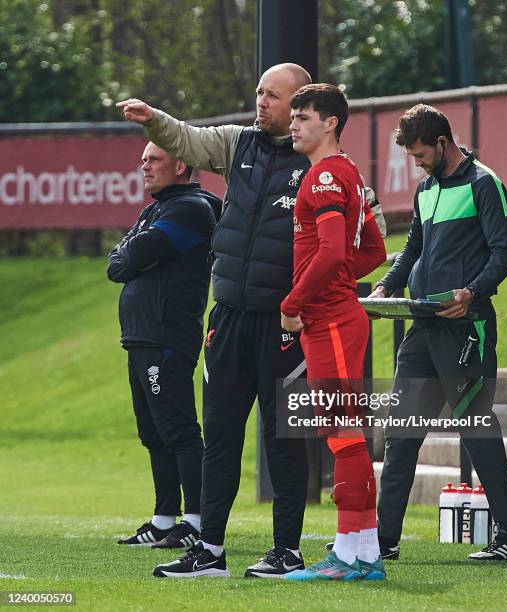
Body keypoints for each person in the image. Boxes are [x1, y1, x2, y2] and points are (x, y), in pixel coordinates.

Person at [116, 63, 386, 579]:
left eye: (274, 96)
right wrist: (153, 119)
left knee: (286, 439)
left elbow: (359, 238)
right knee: (218, 432)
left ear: (304, 107)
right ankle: (209, 549)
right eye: (259, 92)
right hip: (230, 315)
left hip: (285, 323)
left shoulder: (324, 167)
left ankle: (288, 549)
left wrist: (302, 297)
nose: (260, 102)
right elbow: (187, 140)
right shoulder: (239, 143)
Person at [371, 104, 507, 562]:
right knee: (401, 434)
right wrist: (387, 284)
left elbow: (503, 253)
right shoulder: (426, 189)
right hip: (422, 327)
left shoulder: (484, 184)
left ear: (442, 143)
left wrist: (473, 292)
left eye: (420, 154)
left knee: (476, 430)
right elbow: (413, 246)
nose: (416, 163)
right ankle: (383, 541)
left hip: (466, 330)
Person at [277, 84, 386, 581]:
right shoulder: (348, 173)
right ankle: (364, 555)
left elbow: (331, 252)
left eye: (303, 117)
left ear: (330, 124)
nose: (294, 124)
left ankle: (346, 558)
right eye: (293, 116)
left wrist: (293, 302)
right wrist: (335, 278)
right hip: (337, 317)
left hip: (331, 320)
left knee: (345, 438)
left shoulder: (324, 175)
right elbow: (373, 252)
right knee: (346, 436)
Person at [108, 142, 221, 550]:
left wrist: (132, 255)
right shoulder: (154, 209)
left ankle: (196, 519)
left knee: (178, 429)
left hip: (166, 335)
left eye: (153, 159)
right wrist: (131, 256)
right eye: (142, 159)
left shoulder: (191, 208)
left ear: (179, 164)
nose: (144, 166)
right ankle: (163, 519)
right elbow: (116, 265)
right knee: (153, 432)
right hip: (140, 337)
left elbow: (133, 253)